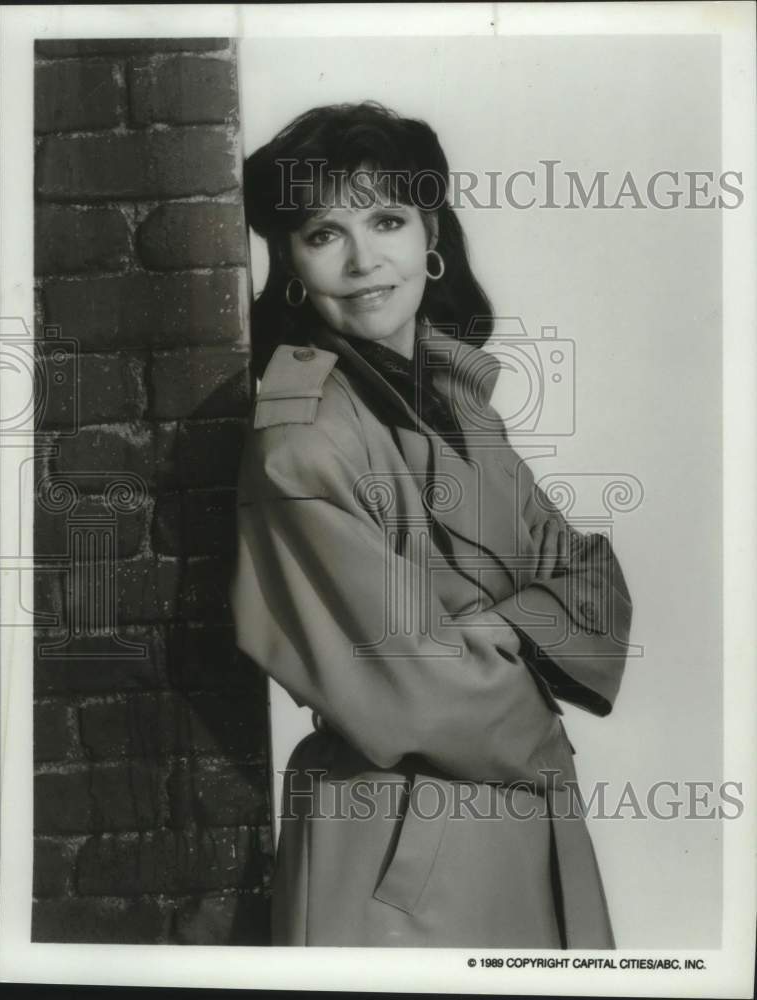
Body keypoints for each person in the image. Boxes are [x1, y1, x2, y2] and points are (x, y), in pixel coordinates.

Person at [230, 101, 633, 948]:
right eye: (322, 232)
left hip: (520, 828)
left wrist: (486, 629)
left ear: (430, 231)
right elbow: (405, 677)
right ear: (290, 261)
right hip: (392, 860)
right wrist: (522, 639)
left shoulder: (454, 400)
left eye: (386, 219)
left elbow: (592, 586)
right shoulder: (300, 434)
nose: (364, 259)